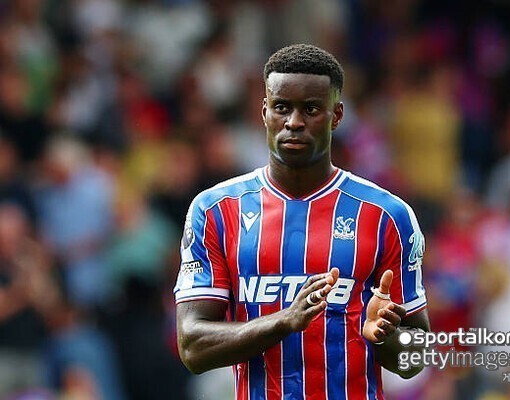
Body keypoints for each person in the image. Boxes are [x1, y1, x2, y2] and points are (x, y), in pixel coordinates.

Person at [174, 44, 430, 399]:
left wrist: (384, 337)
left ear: (336, 115)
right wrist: (284, 321)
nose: (294, 122)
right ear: (264, 112)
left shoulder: (387, 216)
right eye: (282, 107)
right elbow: (192, 346)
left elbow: (415, 356)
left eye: (310, 109)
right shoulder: (216, 211)